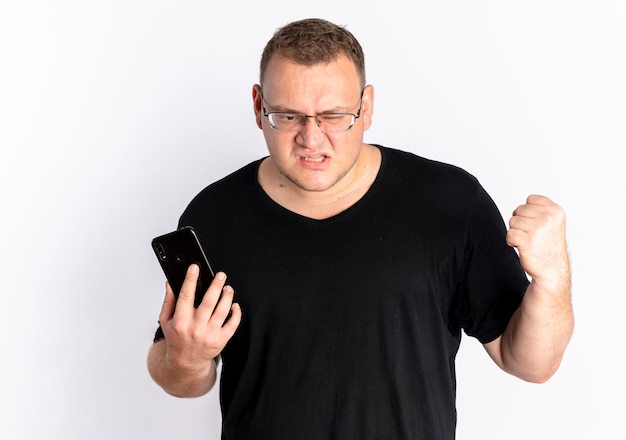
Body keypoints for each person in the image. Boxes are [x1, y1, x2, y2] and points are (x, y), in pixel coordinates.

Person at [147, 18, 574, 439]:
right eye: (288, 116)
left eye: (333, 116)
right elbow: (181, 377)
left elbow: (530, 364)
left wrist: (552, 279)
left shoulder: (450, 202)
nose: (311, 139)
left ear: (366, 107)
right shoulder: (213, 215)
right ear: (258, 106)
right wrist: (186, 359)